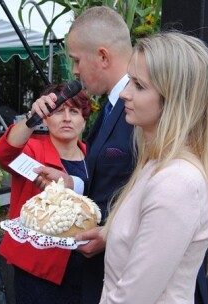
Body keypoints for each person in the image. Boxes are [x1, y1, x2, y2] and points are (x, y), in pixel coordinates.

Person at [97, 31, 208, 303]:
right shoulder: (157, 163)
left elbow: (131, 298)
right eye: (129, 81)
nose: (125, 94)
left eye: (139, 86)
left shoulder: (176, 182)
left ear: (175, 99)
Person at [31, 6, 136, 303]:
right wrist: (71, 183)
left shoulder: (142, 105)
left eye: (76, 60)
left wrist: (111, 232)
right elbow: (112, 178)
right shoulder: (112, 106)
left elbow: (150, 186)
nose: (74, 71)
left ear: (103, 56)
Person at [0, 83, 91, 303]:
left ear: (84, 120)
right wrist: (32, 118)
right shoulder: (32, 151)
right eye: (58, 112)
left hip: (85, 269)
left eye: (74, 111)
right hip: (39, 273)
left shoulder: (93, 158)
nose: (67, 118)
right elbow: (3, 153)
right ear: (45, 119)